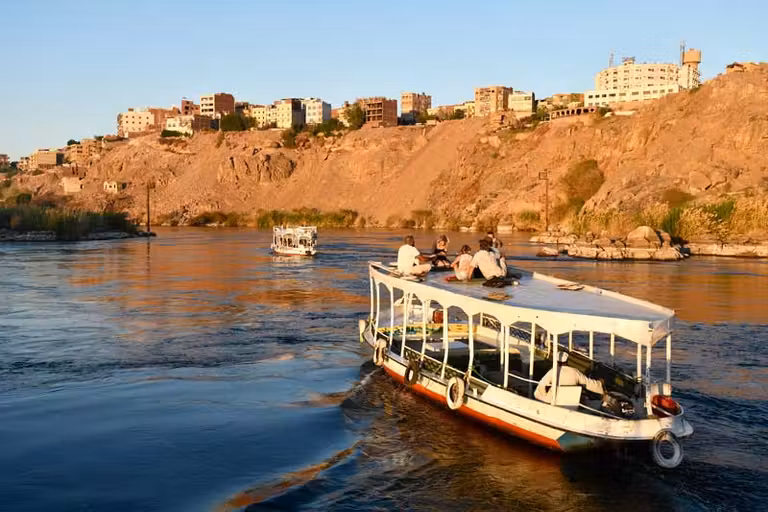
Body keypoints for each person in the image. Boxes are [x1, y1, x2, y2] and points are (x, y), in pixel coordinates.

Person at [534, 352, 604, 403]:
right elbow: (588, 383)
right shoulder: (575, 371)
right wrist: (600, 383)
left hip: (555, 401)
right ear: (567, 361)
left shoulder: (553, 371)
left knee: (536, 392)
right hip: (572, 401)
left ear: (557, 361)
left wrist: (544, 394)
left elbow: (542, 385)